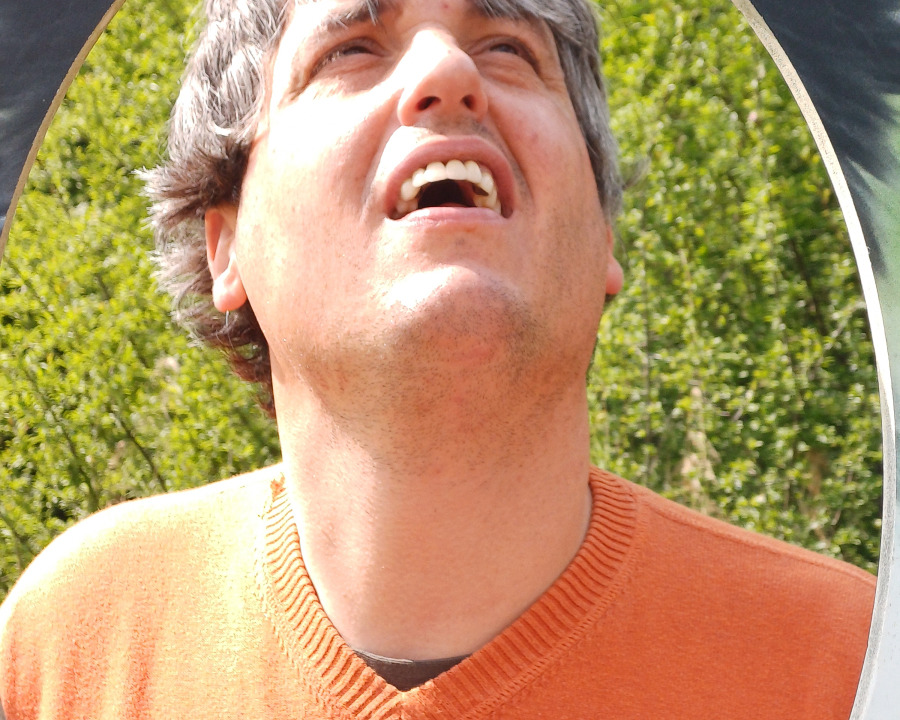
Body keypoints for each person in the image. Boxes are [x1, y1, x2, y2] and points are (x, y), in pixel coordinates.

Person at [0, 0, 875, 717]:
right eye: (350, 48)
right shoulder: (65, 653)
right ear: (225, 247)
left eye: (508, 49)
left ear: (603, 234)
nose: (448, 72)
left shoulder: (850, 665)